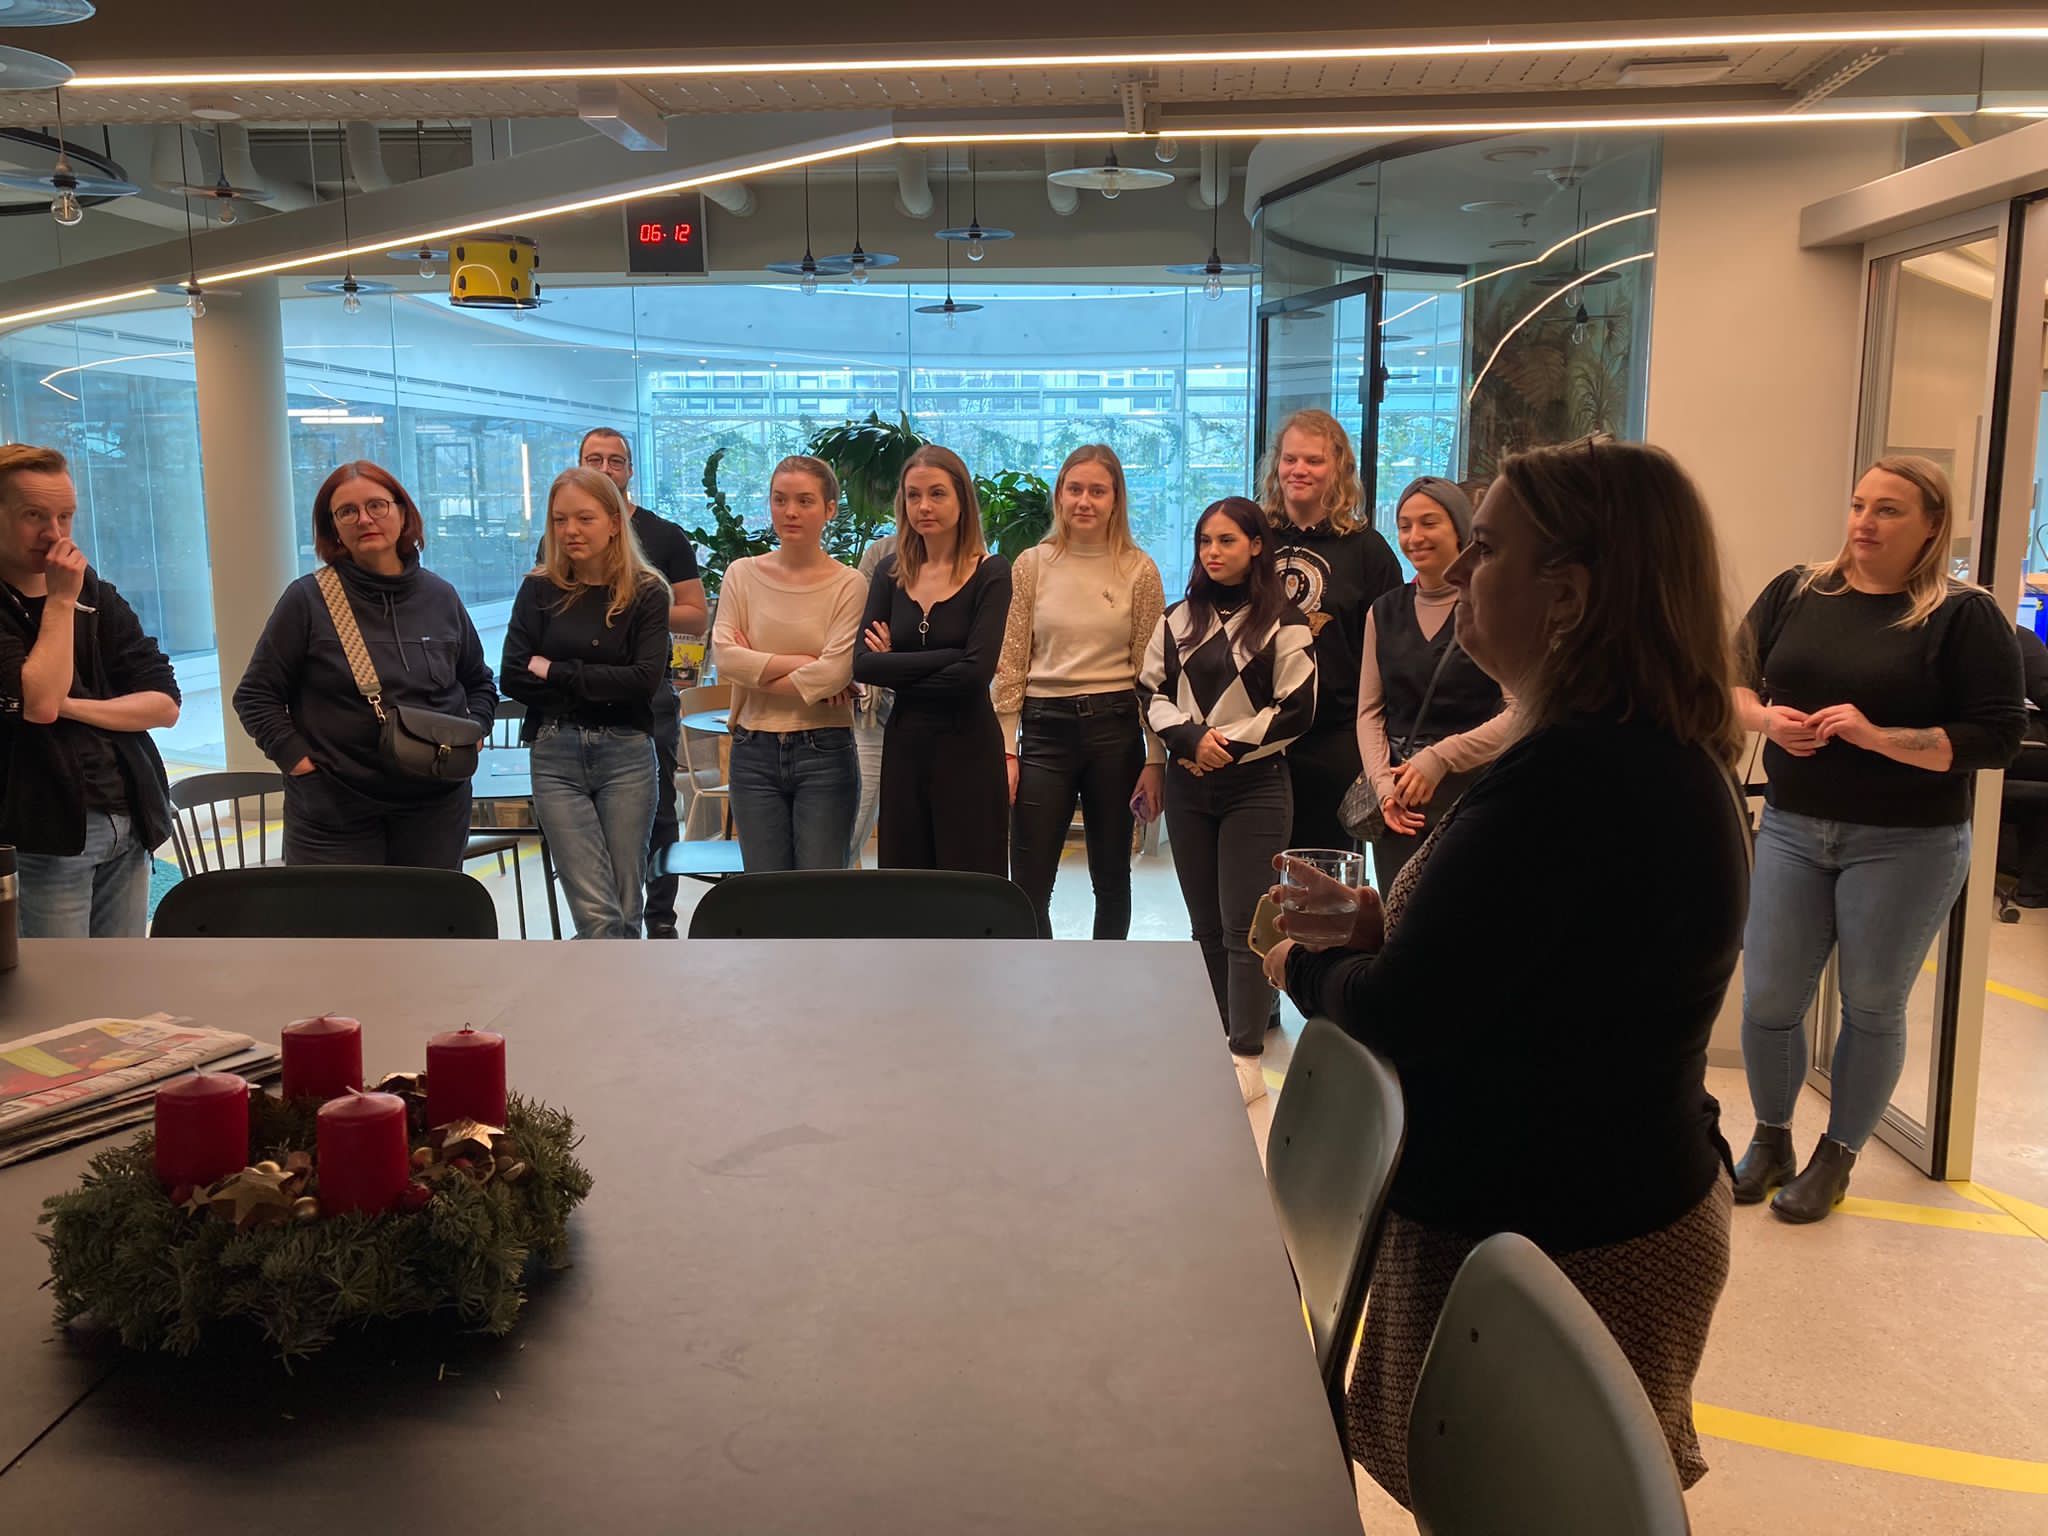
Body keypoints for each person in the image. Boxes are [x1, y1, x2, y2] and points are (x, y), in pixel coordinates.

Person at [1266, 438, 1749, 1506]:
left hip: (1568, 1236)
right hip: (1570, 1207)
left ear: (1566, 596)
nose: (1455, 568)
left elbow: (1401, 1013)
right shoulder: (1625, 749)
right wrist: (1383, 927)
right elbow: (1532, 972)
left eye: (1485, 549)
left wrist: (1305, 966)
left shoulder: (1573, 777)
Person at [1733, 456, 2026, 1221]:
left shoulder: (1964, 615)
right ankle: (1771, 1139)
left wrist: (1877, 736)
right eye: (1859, 504)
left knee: (1870, 1002)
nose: (1865, 521)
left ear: (1932, 525)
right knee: (1769, 997)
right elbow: (1727, 682)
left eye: (1889, 510)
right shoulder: (1798, 591)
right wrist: (1765, 720)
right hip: (1794, 827)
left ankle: (1837, 1155)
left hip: (1908, 842)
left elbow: (1997, 738)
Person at [1139, 497, 1316, 1105]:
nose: (1213, 552)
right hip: (1189, 784)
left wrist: (1223, 745)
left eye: (1227, 541)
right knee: (1205, 926)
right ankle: (1213, 1039)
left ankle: (1246, 1055)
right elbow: (1150, 691)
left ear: (1257, 546)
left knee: (1245, 927)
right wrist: (1192, 740)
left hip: (1255, 787)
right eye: (1205, 541)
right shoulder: (1176, 618)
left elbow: (1297, 708)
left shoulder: (1285, 621)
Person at [236, 460, 498, 869]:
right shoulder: (308, 600)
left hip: (436, 806)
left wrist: (476, 730)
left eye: (377, 505)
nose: (364, 519)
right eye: (347, 511)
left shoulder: (440, 596)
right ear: (333, 528)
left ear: (402, 513)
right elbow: (255, 696)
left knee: (429, 911)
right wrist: (300, 764)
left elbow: (479, 682)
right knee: (342, 913)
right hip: (335, 810)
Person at [0, 444, 179, 936]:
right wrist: (60, 602)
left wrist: (72, 707)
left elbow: (164, 704)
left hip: (128, 817)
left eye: (65, 516)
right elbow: (40, 703)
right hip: (44, 833)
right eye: (34, 515)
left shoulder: (96, 592)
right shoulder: (67, 592)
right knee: (57, 977)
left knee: (119, 975)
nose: (55, 534)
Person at [995, 445, 1166, 939]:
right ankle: (1040, 975)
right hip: (1044, 732)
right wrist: (1007, 748)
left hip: (1115, 731)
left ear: (1116, 500)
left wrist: (1155, 758)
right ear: (1059, 496)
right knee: (1029, 882)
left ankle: (1104, 977)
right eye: (1074, 489)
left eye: (1097, 491)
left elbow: (1152, 672)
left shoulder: (1138, 569)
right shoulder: (1031, 564)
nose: (1084, 501)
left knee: (1111, 878)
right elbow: (1011, 660)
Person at [502, 467, 671, 938]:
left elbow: (642, 682)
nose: (570, 531)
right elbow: (514, 674)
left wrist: (555, 671)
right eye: (560, 520)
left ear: (614, 522)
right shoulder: (539, 589)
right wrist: (599, 681)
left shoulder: (647, 591)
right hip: (555, 752)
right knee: (598, 914)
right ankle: (616, 985)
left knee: (626, 907)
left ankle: (615, 985)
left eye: (584, 518)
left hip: (627, 753)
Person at [555, 428, 708, 937]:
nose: (604, 469)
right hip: (577, 701)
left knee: (658, 814)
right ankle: (602, 930)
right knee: (585, 825)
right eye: (593, 459)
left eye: (615, 461)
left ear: (630, 470)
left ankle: (660, 921)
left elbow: (696, 615)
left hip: (646, 695)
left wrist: (633, 606)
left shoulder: (665, 536)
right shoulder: (562, 539)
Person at [852, 446, 1012, 875]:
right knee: (908, 884)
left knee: (969, 883)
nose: (924, 506)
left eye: (937, 493)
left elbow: (974, 676)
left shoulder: (991, 571)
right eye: (913, 495)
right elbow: (863, 665)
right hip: (905, 747)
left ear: (962, 499)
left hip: (969, 748)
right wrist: (955, 656)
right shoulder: (890, 572)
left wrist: (896, 663)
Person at [1357, 476, 1515, 888]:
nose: (1415, 537)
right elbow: (1370, 712)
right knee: (1397, 916)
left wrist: (1441, 757)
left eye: (1429, 523)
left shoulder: (1492, 609)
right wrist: (1383, 787)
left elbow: (1522, 712)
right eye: (1405, 526)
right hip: (1399, 807)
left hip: (1473, 799)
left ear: (1461, 529)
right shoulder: (1383, 611)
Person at [713, 457, 868, 870]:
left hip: (825, 750)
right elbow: (725, 658)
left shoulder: (849, 584)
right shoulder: (741, 575)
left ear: (830, 509)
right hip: (753, 748)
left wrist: (754, 669)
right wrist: (803, 662)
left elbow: (834, 673)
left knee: (818, 891)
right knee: (765, 889)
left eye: (805, 501)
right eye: (780, 500)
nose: (790, 512)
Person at [1257, 408, 1402, 850]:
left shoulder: (1368, 552)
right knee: (1257, 874)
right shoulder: (1251, 541)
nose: (1299, 469)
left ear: (1338, 469)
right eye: (1290, 459)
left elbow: (1390, 657)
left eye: (1314, 460)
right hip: (1256, 739)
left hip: (1334, 743)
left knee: (1324, 875)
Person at [846, 531, 897, 866]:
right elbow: (862, 628)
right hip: (874, 710)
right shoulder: (882, 552)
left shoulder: (974, 559)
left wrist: (895, 651)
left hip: (940, 712)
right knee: (855, 822)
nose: (924, 508)